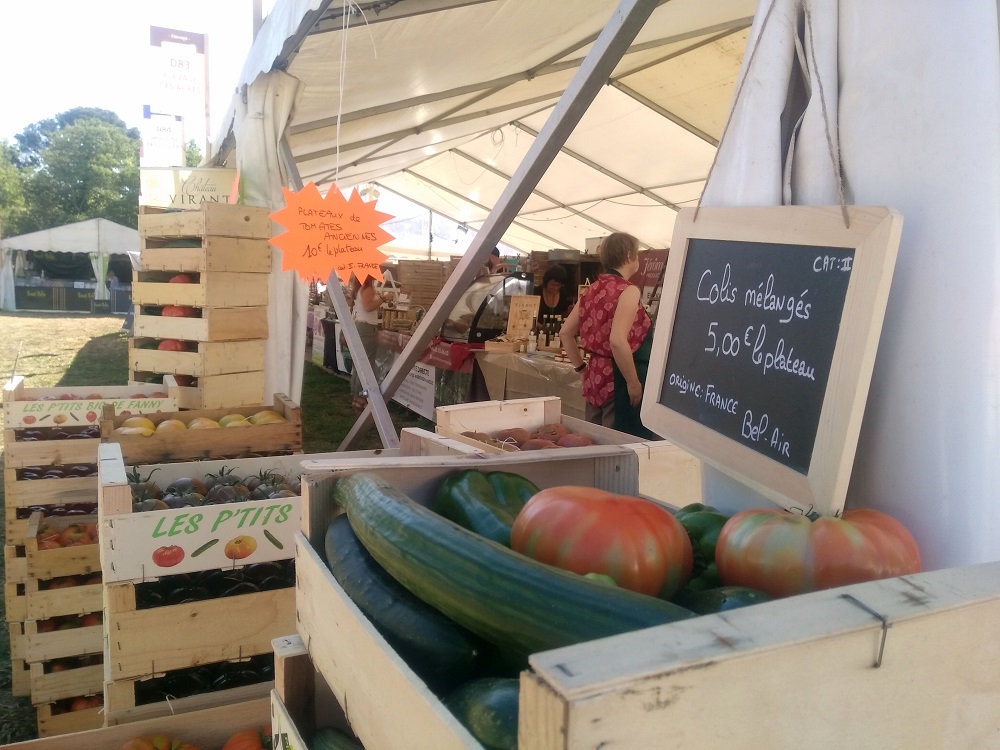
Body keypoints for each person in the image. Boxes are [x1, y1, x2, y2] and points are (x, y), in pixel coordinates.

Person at [559, 232, 657, 439]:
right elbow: (618, 341)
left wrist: (582, 369)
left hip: (595, 374)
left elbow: (565, 333)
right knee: (616, 442)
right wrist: (633, 382)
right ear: (630, 255)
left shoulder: (592, 289)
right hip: (619, 378)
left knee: (592, 439)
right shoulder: (628, 291)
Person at [349, 274, 389, 412]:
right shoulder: (368, 289)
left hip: (360, 326)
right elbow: (368, 307)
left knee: (359, 364)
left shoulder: (358, 289)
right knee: (366, 365)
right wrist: (384, 298)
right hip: (367, 328)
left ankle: (356, 397)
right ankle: (361, 399)